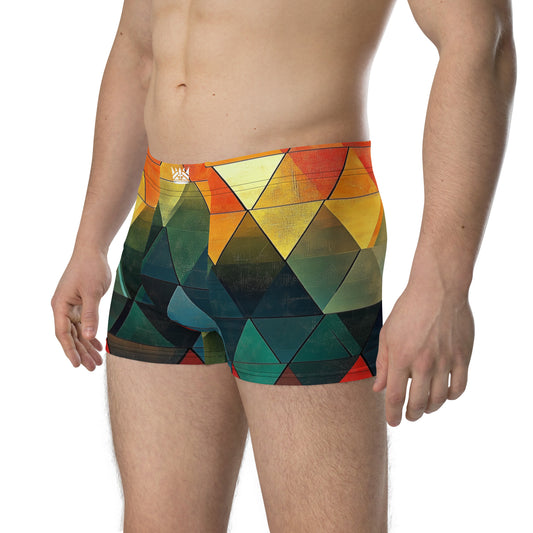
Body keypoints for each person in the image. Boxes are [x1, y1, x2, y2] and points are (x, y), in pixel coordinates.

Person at [50, 0, 516, 531]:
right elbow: (138, 52)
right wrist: (91, 241)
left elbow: (480, 37)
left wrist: (443, 280)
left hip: (295, 212)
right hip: (162, 214)